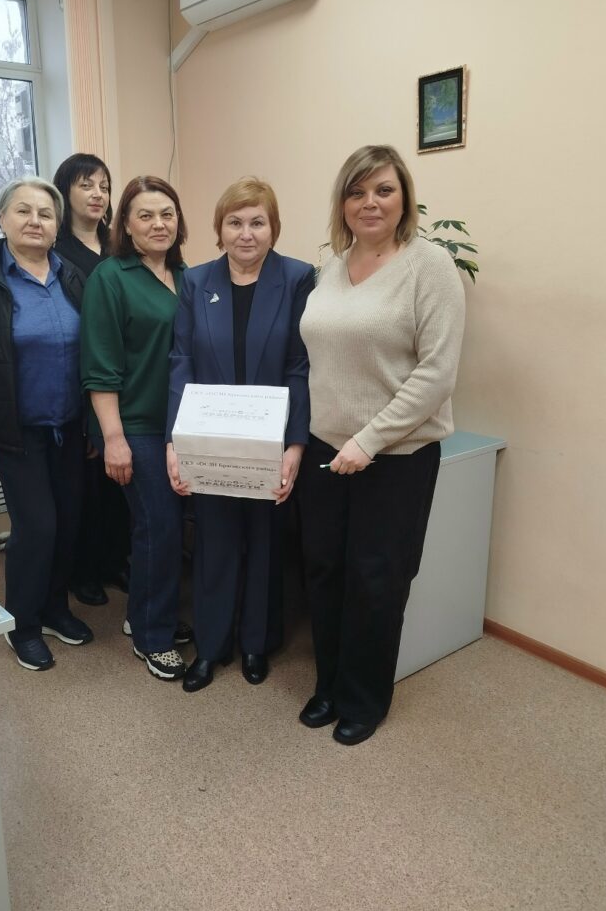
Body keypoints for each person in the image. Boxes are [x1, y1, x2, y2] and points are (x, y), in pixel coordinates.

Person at [298, 145, 465, 744]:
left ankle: (363, 701)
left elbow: (436, 374)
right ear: (342, 203)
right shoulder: (331, 266)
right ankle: (328, 685)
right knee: (325, 571)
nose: (370, 202)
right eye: (357, 191)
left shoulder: (430, 266)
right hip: (326, 450)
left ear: (404, 199)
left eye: (383, 190)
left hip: (395, 458)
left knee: (376, 580)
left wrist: (368, 441)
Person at [0, 177, 93, 671]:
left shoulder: (72, 277)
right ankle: (21, 624)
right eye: (23, 211)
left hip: (68, 427)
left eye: (45, 214)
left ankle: (54, 609)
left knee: (67, 524)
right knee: (37, 527)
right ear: (2, 219)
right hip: (15, 432)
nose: (35, 221)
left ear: (57, 225)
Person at [166, 177, 314, 692]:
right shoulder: (196, 281)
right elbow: (181, 361)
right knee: (214, 541)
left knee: (265, 541)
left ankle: (256, 642)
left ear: (274, 228)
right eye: (234, 222)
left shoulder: (297, 278)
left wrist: (295, 445)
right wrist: (174, 442)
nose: (246, 233)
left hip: (272, 441)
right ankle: (210, 648)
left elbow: (300, 366)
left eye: (257, 222)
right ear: (219, 228)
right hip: (209, 441)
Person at [80, 176, 193, 680]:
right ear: (125, 224)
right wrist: (113, 439)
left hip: (182, 425)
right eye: (145, 215)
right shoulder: (110, 277)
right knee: (159, 527)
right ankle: (152, 636)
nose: (158, 224)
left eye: (167, 213)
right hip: (136, 426)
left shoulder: (188, 276)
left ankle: (146, 612)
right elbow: (99, 367)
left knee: (162, 527)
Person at [53, 153, 131, 609]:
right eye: (86, 185)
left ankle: (114, 561)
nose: (98, 194)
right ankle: (84, 571)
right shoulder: (56, 252)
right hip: (81, 381)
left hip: (126, 379)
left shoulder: (120, 246)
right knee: (83, 489)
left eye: (104, 185)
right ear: (65, 192)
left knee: (120, 486)